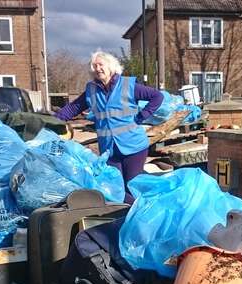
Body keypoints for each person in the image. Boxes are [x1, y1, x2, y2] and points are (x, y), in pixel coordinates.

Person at [55, 50, 164, 204]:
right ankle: (126, 218)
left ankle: (141, 215)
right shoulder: (91, 90)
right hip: (109, 149)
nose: (97, 68)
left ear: (111, 66)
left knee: (131, 186)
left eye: (101, 64)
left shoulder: (127, 85)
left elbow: (157, 96)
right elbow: (73, 108)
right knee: (115, 189)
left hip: (133, 147)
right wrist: (51, 121)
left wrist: (141, 116)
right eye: (94, 66)